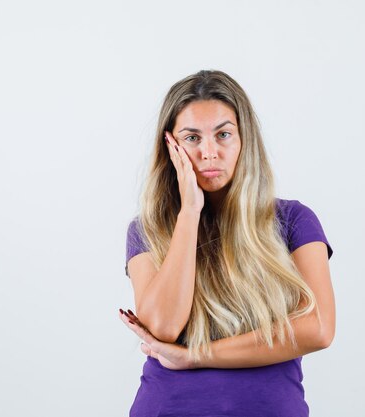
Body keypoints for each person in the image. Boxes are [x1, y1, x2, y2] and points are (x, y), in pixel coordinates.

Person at [119, 69, 335, 417]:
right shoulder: (149, 229)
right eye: (191, 138)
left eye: (223, 134)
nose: (209, 152)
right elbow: (161, 328)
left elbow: (318, 330)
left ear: (244, 140)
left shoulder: (293, 220)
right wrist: (189, 212)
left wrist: (194, 356)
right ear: (170, 146)